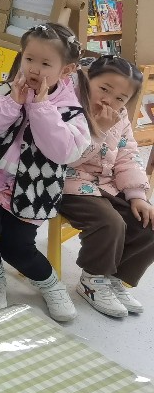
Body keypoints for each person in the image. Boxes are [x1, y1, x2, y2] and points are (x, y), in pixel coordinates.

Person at [0, 23, 90, 323]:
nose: (34, 69)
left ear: (66, 70)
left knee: (18, 247)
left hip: (34, 192)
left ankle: (50, 284)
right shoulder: (6, 90)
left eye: (46, 63)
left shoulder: (69, 109)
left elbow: (64, 152)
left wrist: (41, 108)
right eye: (29, 59)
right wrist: (12, 103)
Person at [59, 57, 153, 318]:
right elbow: (66, 157)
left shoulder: (120, 117)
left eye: (120, 98)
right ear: (88, 80)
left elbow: (127, 155)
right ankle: (92, 279)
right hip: (68, 183)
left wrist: (137, 195)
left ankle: (114, 277)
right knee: (110, 223)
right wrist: (98, 130)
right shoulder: (68, 106)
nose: (109, 100)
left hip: (104, 184)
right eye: (104, 89)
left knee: (147, 223)